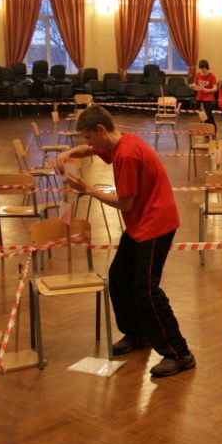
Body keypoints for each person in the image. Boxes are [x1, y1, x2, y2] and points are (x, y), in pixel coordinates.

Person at [54, 106, 194, 378]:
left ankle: (179, 353)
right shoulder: (118, 143)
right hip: (140, 223)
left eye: (89, 137)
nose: (89, 144)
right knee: (119, 277)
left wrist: (88, 189)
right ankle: (137, 333)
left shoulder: (127, 153)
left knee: (146, 290)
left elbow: (125, 203)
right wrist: (68, 153)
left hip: (156, 223)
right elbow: (90, 150)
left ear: (101, 130)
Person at [191, 59, 217, 131]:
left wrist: (206, 90)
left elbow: (215, 89)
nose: (203, 70)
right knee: (202, 117)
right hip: (199, 98)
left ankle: (213, 132)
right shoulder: (198, 74)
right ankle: (205, 132)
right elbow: (194, 84)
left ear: (207, 67)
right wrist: (193, 86)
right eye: (201, 68)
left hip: (208, 99)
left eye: (204, 68)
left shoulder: (212, 76)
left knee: (209, 117)